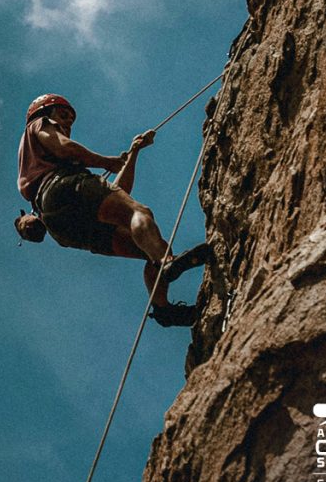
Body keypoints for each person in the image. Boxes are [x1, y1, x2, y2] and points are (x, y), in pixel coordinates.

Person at [15, 93, 210, 327]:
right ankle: (166, 262)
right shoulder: (39, 125)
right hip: (62, 186)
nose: (67, 123)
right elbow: (64, 148)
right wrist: (105, 162)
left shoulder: (34, 160)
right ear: (45, 112)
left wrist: (134, 152)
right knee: (139, 213)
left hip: (60, 225)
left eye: (70, 120)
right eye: (63, 115)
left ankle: (163, 309)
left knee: (150, 248)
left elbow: (118, 194)